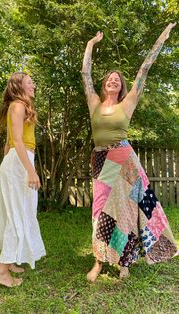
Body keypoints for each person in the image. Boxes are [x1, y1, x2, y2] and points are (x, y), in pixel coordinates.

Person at [81, 23, 178, 282]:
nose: (113, 80)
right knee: (101, 211)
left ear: (121, 86)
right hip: (101, 159)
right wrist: (90, 45)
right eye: (109, 78)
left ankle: (124, 261)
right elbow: (85, 73)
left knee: (125, 210)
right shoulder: (94, 103)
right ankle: (99, 261)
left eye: (118, 79)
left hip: (122, 156)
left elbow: (144, 69)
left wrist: (162, 36)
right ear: (104, 85)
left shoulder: (128, 103)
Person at [0, 72, 46, 287]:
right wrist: (30, 171)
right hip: (20, 161)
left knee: (16, 211)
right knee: (19, 212)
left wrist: (8, 168)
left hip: (16, 162)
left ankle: (11, 260)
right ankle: (1, 271)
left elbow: (8, 143)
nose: (33, 86)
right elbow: (16, 140)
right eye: (29, 83)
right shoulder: (18, 106)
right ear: (19, 87)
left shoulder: (18, 107)